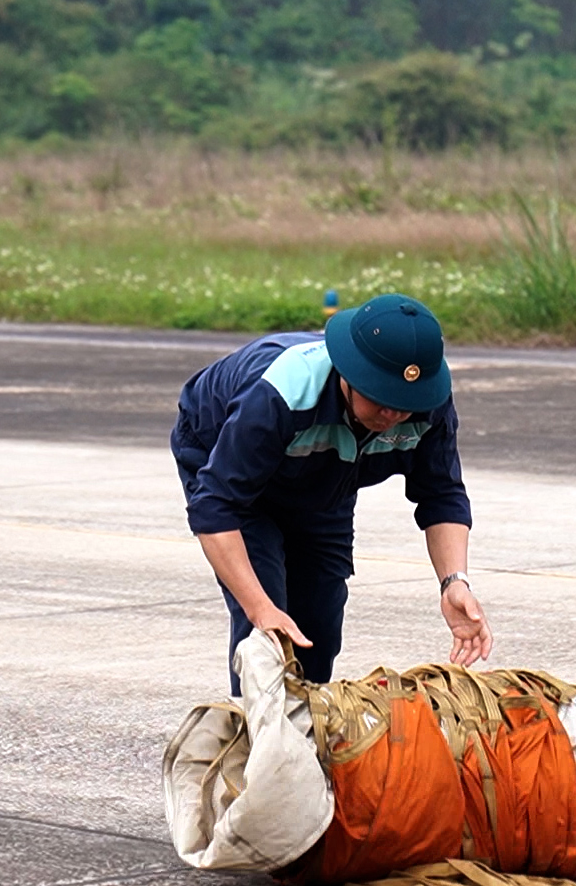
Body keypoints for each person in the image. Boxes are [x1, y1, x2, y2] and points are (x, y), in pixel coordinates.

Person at [171, 293, 492, 693]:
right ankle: (258, 736)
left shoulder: (427, 402)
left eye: (404, 403)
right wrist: (260, 609)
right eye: (381, 396)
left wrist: (454, 582)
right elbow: (216, 507)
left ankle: (307, 730)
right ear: (349, 372)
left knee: (319, 620)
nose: (392, 415)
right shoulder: (281, 393)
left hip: (324, 478)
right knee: (270, 624)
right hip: (226, 460)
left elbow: (442, 494)